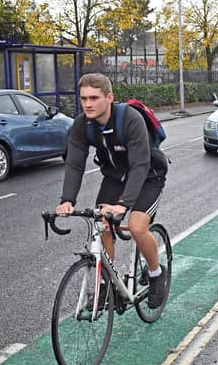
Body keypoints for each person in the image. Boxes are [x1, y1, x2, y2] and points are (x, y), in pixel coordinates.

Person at [56, 73, 169, 308]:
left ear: (109, 97)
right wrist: (67, 200)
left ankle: (157, 273)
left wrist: (123, 204)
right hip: (115, 176)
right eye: (84, 98)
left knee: (137, 228)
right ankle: (107, 285)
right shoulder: (82, 125)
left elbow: (140, 164)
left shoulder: (129, 119)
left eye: (94, 98)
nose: (88, 104)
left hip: (148, 175)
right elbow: (75, 164)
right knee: (100, 224)